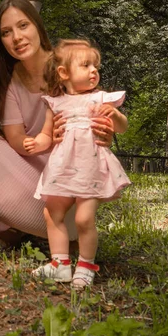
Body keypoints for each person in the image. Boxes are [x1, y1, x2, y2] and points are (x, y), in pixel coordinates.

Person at [0, 0, 127, 247]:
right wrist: (45, 141)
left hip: (67, 179)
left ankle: (52, 228)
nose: (16, 37)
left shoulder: (65, 67)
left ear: (38, 26)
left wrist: (105, 132)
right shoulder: (9, 83)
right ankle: (12, 227)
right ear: (1, 41)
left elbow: (93, 111)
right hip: (31, 170)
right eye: (6, 32)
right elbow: (17, 140)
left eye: (23, 25)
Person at [24, 38, 131, 288]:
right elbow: (47, 133)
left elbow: (122, 128)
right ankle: (60, 265)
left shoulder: (101, 99)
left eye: (95, 67)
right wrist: (37, 143)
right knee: (52, 213)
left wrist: (115, 115)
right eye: (86, 66)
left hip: (90, 168)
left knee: (84, 219)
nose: (94, 71)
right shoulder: (55, 102)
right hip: (61, 168)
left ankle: (85, 265)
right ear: (64, 73)